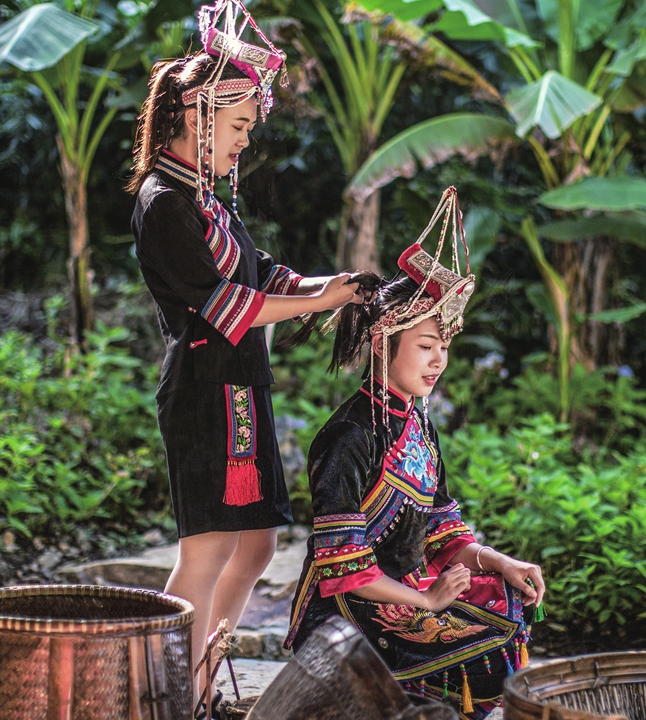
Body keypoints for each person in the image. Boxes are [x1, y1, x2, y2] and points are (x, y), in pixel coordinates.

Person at [127, 0, 363, 704]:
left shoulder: (207, 200)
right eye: (235, 128)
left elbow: (265, 275)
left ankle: (199, 684)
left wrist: (340, 286)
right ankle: (158, 695)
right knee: (205, 552)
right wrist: (323, 303)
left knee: (256, 547)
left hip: (242, 388)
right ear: (194, 120)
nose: (242, 144)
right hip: (205, 389)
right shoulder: (163, 202)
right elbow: (233, 308)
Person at [285, 188, 545, 719]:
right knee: (487, 656)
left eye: (444, 347)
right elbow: (344, 569)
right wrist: (427, 602)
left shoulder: (419, 423)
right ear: (384, 344)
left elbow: (444, 532)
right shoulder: (348, 437)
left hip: (405, 589)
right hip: (346, 610)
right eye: (426, 347)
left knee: (509, 605)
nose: (439, 361)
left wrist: (500, 562)